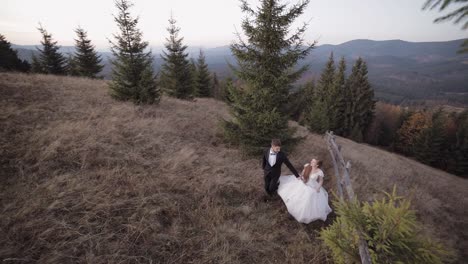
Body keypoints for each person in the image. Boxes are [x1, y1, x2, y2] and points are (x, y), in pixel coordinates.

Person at [277, 158, 332, 223]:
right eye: (312, 161)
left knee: (310, 196)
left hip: (312, 186)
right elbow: (303, 173)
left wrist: (318, 187)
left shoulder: (319, 172)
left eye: (313, 162)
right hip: (304, 182)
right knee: (297, 193)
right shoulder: (307, 166)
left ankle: (307, 212)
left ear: (317, 165)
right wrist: (302, 178)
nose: (311, 162)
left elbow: (321, 181)